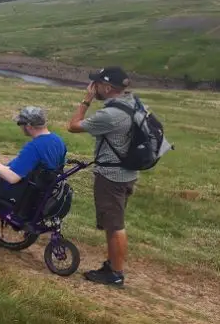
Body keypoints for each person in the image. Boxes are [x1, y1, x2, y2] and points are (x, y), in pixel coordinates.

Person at [67, 66, 136, 287]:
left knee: (115, 225)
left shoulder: (110, 115)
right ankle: (112, 265)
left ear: (106, 87)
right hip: (127, 172)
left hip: (112, 176)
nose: (92, 87)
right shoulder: (132, 103)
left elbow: (73, 126)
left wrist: (86, 100)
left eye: (95, 83)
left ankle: (115, 274)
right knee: (112, 223)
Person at [0, 107, 67, 202]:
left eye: (20, 124)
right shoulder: (59, 141)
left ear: (28, 126)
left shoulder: (34, 147)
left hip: (20, 193)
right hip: (42, 191)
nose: (20, 127)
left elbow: (12, 178)